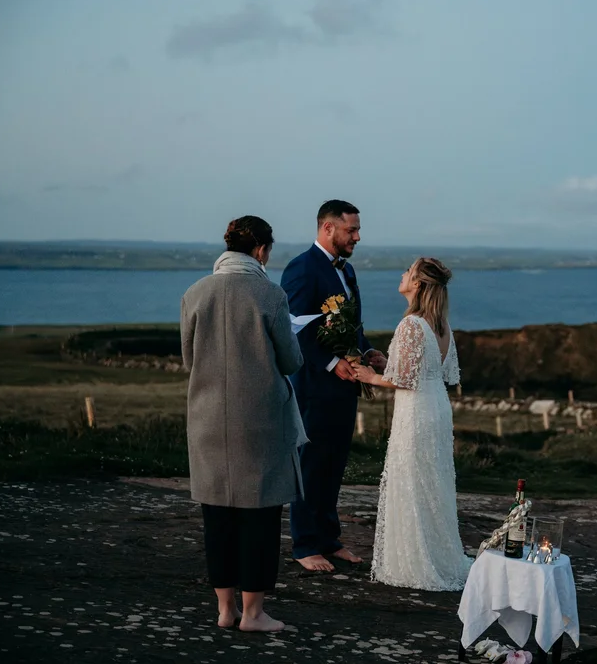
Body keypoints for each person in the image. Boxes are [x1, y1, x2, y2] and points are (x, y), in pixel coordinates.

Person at [180, 215, 305, 632]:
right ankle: (253, 614)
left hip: (207, 420)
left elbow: (189, 360)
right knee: (259, 517)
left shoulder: (194, 294)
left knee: (217, 516)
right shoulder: (269, 294)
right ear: (262, 251)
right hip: (260, 423)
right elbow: (290, 360)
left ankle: (224, 610)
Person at [353, 257, 473, 590]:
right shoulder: (441, 325)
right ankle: (438, 553)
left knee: (412, 480)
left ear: (418, 284)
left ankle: (415, 563)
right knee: (430, 482)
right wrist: (389, 363)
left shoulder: (411, 324)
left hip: (416, 412)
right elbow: (433, 373)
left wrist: (371, 376)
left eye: (407, 271)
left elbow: (404, 380)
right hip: (436, 407)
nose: (402, 274)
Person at [282, 200, 386, 572]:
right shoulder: (301, 268)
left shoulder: (348, 270)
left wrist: (367, 350)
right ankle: (304, 544)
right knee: (310, 465)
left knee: (334, 464)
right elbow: (293, 329)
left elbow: (351, 323)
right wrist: (330, 363)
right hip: (313, 385)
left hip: (346, 386)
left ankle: (329, 538)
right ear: (328, 229)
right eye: (351, 230)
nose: (357, 237)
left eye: (357, 230)